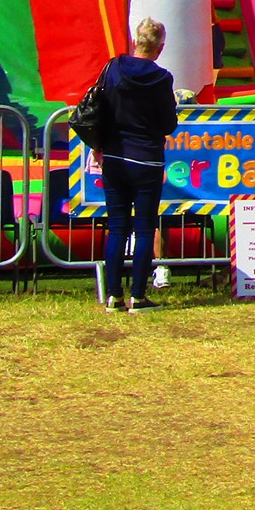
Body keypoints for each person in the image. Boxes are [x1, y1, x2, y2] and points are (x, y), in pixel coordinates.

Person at [99, 18, 180, 313]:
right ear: (159, 48)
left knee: (117, 228)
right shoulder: (162, 79)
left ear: (135, 41)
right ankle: (138, 296)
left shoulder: (113, 68)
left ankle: (113, 295)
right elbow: (169, 124)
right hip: (146, 158)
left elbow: (100, 110)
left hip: (115, 155)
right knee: (145, 229)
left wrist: (98, 146)